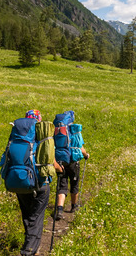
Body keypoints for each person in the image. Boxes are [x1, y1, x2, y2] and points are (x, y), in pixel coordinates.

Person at [17, 109, 64, 256]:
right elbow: (51, 162)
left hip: (21, 181)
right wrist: (60, 169)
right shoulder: (43, 138)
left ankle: (31, 245)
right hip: (40, 183)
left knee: (27, 215)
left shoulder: (20, 136)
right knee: (36, 217)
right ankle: (29, 251)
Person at [54, 145, 89, 220]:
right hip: (73, 161)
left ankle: (60, 209)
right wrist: (86, 155)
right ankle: (74, 206)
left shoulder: (58, 133)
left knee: (62, 185)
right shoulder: (75, 133)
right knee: (74, 184)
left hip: (61, 162)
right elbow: (82, 149)